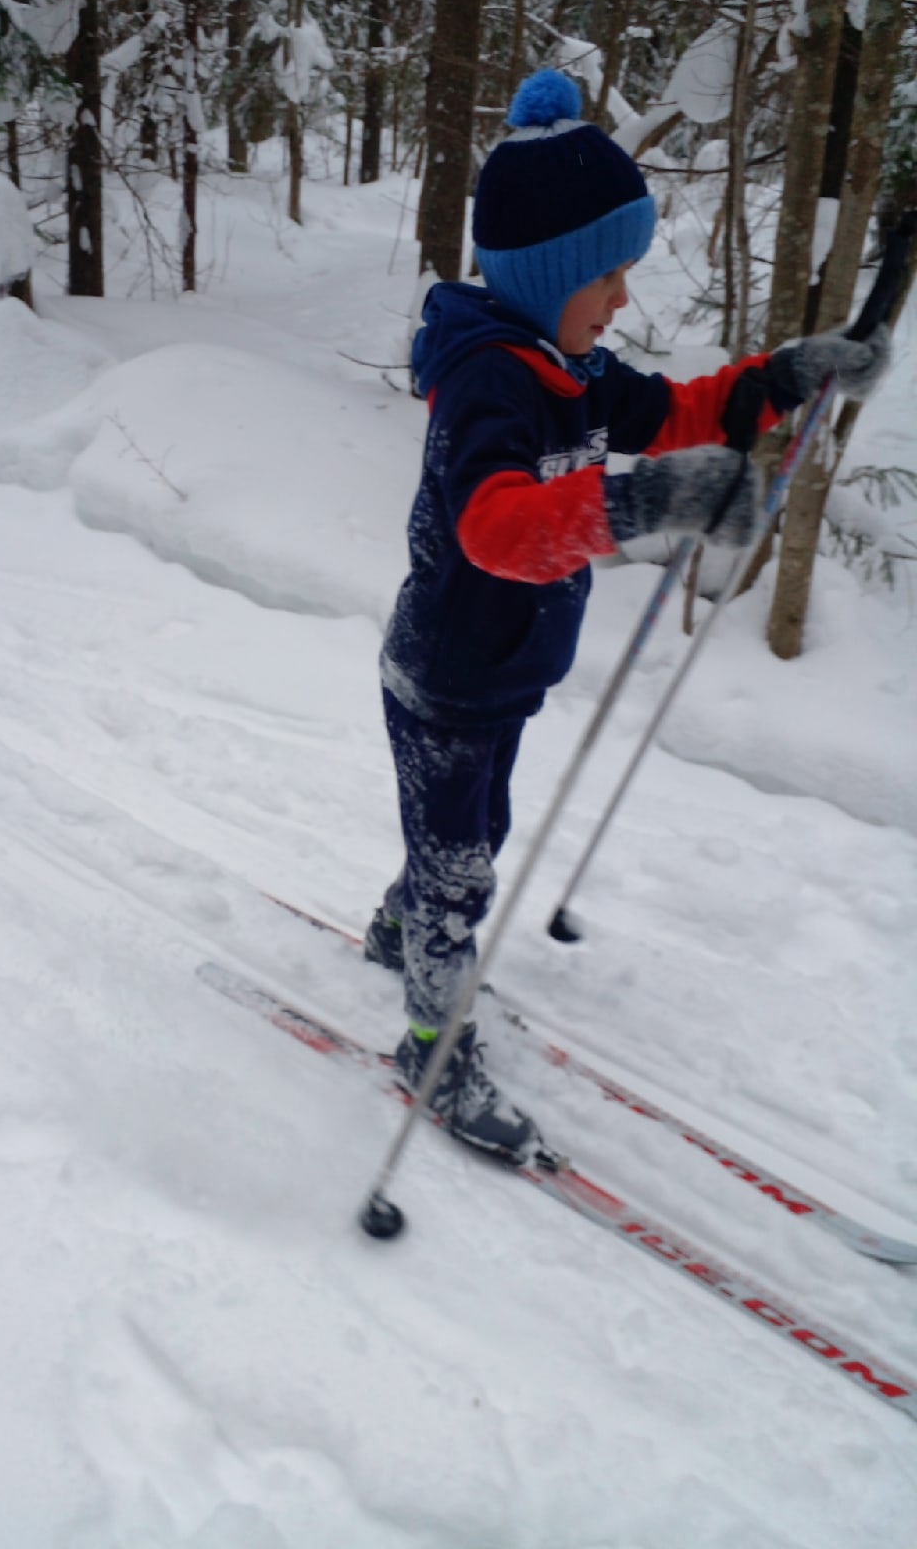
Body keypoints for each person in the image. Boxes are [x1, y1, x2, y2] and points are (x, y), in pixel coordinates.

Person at [365, 69, 890, 1162]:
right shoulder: (487, 386)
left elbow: (688, 407)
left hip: (508, 668)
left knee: (469, 834)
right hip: (448, 672)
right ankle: (429, 1037)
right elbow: (495, 529)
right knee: (464, 859)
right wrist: (646, 501)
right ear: (545, 270)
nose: (622, 297)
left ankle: (399, 924)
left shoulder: (577, 367)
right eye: (606, 274)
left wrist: (793, 373)